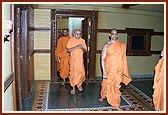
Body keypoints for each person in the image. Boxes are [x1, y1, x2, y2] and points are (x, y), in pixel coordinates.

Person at [99, 28, 132, 111]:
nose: (114, 35)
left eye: (116, 34)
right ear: (110, 35)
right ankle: (103, 95)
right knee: (106, 83)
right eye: (112, 34)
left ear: (117, 35)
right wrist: (104, 72)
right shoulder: (106, 46)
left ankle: (115, 103)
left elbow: (123, 59)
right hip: (109, 69)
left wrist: (123, 69)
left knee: (116, 86)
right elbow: (102, 59)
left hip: (118, 70)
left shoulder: (122, 46)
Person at [66, 29, 87, 95]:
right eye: (77, 34)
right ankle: (73, 87)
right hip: (73, 61)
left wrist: (81, 48)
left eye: (79, 34)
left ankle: (79, 85)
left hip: (80, 60)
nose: (78, 35)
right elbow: (68, 50)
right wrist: (76, 47)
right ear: (74, 34)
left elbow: (85, 50)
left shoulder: (82, 40)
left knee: (81, 73)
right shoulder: (71, 40)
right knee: (73, 73)